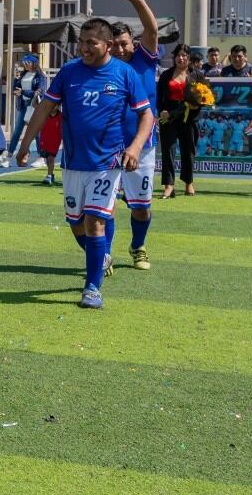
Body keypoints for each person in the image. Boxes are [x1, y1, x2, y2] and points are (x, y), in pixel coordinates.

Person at [15, 18, 154, 309]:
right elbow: (45, 107)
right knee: (76, 223)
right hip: (74, 162)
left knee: (95, 222)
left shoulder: (124, 73)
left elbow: (147, 116)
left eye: (92, 42)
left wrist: (135, 146)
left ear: (108, 45)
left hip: (107, 161)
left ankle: (92, 287)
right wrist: (26, 143)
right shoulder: (68, 72)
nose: (85, 48)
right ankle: (101, 257)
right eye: (82, 42)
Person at [110, 0, 161, 271]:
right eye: (114, 45)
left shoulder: (143, 59)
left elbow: (152, 29)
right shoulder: (104, 66)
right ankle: (103, 255)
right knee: (106, 206)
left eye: (124, 43)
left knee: (141, 207)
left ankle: (138, 246)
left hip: (142, 146)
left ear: (133, 42)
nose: (119, 49)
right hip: (109, 145)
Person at [155, 44, 205, 198]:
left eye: (184, 55)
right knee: (168, 151)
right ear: (174, 57)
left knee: (188, 151)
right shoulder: (166, 75)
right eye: (178, 55)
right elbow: (158, 97)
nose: (181, 58)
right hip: (168, 117)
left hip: (190, 118)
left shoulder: (197, 75)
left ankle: (188, 183)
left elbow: (204, 97)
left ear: (189, 58)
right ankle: (168, 185)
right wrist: (161, 112)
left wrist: (195, 104)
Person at [9, 54, 48, 158]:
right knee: (17, 131)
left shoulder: (40, 76)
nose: (25, 64)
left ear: (34, 63)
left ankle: (41, 157)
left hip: (33, 106)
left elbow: (39, 92)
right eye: (24, 62)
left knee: (36, 132)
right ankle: (9, 154)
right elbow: (15, 89)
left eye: (28, 62)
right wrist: (16, 80)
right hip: (23, 106)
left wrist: (23, 92)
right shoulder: (22, 74)